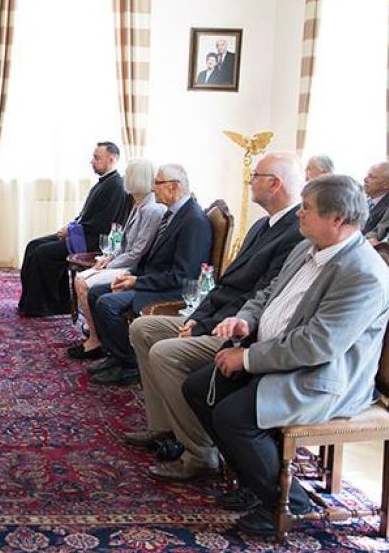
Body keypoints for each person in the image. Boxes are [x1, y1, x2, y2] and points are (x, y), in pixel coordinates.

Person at [183, 174, 389, 536]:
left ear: (338, 219)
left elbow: (317, 345)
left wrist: (247, 359)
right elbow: (267, 295)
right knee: (199, 387)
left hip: (324, 378)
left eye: (307, 209)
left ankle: (290, 502)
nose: (299, 214)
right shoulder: (306, 247)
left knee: (234, 415)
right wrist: (244, 320)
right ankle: (255, 481)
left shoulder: (363, 273)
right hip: (282, 359)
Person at [125, 152, 304, 483]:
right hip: (217, 316)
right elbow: (226, 285)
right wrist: (198, 317)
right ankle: (164, 427)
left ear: (275, 184)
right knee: (143, 328)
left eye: (255, 176)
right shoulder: (263, 224)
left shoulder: (296, 233)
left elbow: (261, 298)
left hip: (242, 330)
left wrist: (205, 324)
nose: (249, 181)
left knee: (166, 352)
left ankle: (200, 452)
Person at [86, 163, 212, 386]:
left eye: (158, 183)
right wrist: (131, 274)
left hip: (168, 290)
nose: (153, 189)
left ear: (174, 187)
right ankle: (114, 355)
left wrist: (137, 281)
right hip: (152, 279)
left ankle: (129, 365)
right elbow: (150, 257)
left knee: (107, 304)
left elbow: (183, 276)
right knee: (95, 293)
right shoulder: (173, 213)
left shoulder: (194, 220)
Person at [67, 158, 165, 360]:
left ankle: (95, 340)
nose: (124, 179)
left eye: (128, 175)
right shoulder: (139, 204)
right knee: (81, 279)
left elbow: (137, 252)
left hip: (133, 268)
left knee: (82, 282)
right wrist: (108, 257)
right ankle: (96, 336)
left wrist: (109, 264)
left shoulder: (152, 209)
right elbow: (124, 243)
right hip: (123, 261)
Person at [18, 142, 126, 318]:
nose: (92, 161)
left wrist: (71, 231)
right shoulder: (104, 183)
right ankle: (29, 303)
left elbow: (102, 224)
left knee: (42, 253)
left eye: (97, 158)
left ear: (111, 160)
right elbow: (85, 216)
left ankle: (48, 306)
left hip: (91, 241)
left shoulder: (116, 186)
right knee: (33, 245)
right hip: (81, 234)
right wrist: (70, 227)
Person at [361, 161, 389, 235]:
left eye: (372, 177)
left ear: (386, 184)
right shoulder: (358, 198)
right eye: (367, 175)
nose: (365, 179)